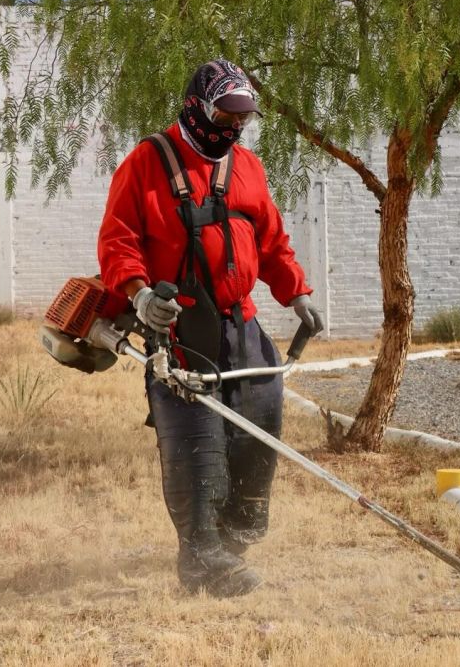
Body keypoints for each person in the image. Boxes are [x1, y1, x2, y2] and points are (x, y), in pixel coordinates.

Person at [97, 59, 324, 597]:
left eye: (242, 117)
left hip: (240, 326)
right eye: (225, 113)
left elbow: (270, 240)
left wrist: (297, 292)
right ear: (198, 107)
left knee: (257, 430)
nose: (233, 126)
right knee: (197, 447)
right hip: (179, 335)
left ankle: (233, 541)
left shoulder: (247, 166)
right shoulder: (146, 163)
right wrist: (141, 292)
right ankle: (202, 559)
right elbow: (118, 239)